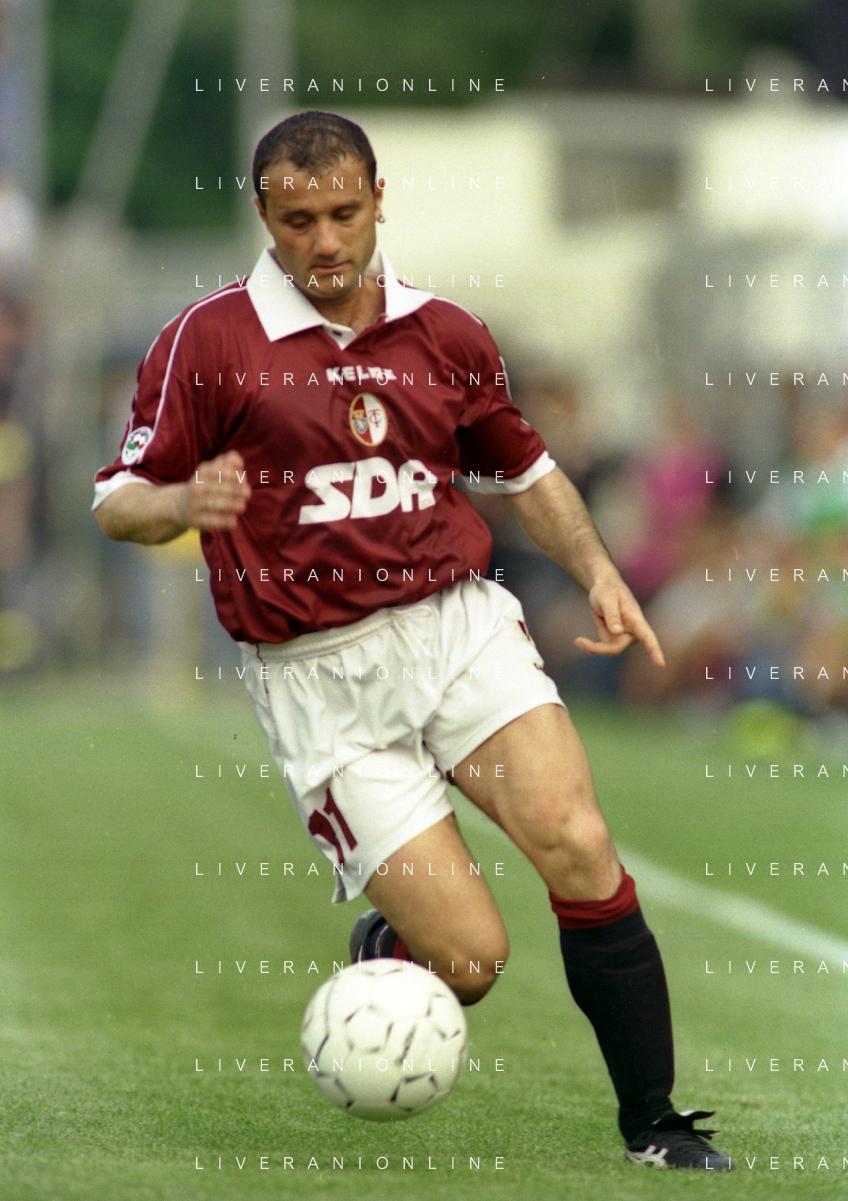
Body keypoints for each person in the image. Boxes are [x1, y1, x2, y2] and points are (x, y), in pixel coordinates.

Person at [93, 110, 732, 1171]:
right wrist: (180, 500)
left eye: (344, 213)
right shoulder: (207, 343)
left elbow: (524, 472)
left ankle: (655, 1125)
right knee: (470, 962)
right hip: (318, 681)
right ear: (264, 215)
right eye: (298, 221)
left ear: (379, 199)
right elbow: (117, 501)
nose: (325, 241)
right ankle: (397, 943)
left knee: (576, 841)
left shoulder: (445, 334)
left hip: (454, 631)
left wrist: (596, 570)